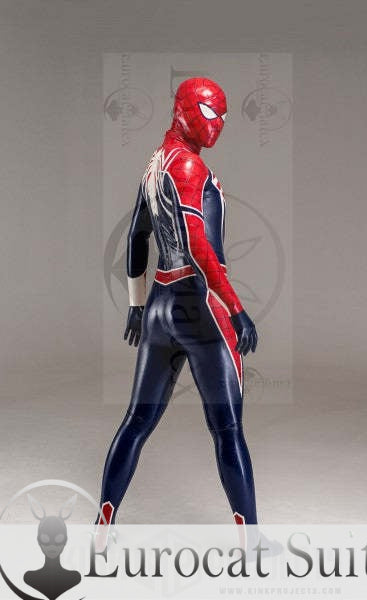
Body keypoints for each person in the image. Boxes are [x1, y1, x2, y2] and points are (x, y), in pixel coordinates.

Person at [96, 77, 262, 534]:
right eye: (210, 112)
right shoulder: (188, 166)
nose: (219, 123)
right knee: (228, 430)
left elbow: (137, 236)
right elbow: (196, 244)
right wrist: (236, 308)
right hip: (201, 307)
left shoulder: (155, 164)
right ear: (184, 110)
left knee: (137, 421)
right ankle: (251, 540)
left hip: (159, 307)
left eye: (224, 116)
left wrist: (136, 306)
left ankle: (102, 526)